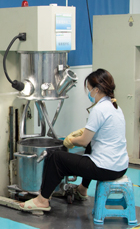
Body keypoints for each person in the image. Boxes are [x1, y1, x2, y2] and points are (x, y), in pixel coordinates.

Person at [20, 69, 128, 212]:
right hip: (120, 166)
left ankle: (42, 200)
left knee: (56, 158)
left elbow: (83, 141)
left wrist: (70, 140)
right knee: (91, 148)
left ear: (96, 90)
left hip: (105, 168)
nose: (89, 93)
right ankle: (82, 189)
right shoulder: (115, 107)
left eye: (89, 89)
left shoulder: (99, 109)